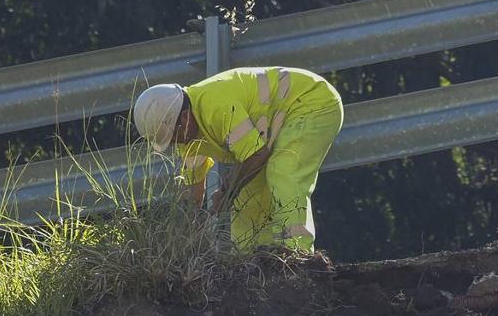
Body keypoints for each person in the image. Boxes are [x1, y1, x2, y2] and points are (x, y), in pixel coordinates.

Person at [132, 66, 343, 252]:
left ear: (185, 118)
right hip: (270, 132)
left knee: (282, 171)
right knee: (247, 201)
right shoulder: (186, 137)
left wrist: (226, 192)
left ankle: (298, 254)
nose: (175, 144)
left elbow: (256, 155)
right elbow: (192, 193)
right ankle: (253, 268)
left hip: (311, 103)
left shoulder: (215, 105)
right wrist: (189, 234)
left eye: (174, 137)